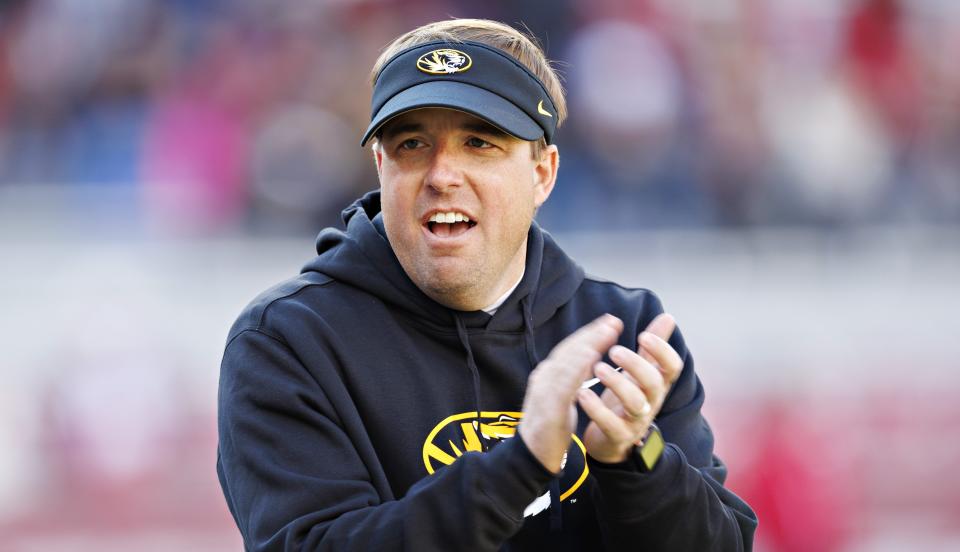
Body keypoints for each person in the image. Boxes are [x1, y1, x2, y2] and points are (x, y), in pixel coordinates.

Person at [217, 18, 757, 551]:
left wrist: (636, 456)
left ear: (542, 173)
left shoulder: (626, 333)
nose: (442, 175)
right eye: (411, 144)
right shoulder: (289, 340)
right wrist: (520, 464)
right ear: (380, 165)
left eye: (479, 142)